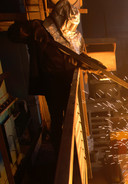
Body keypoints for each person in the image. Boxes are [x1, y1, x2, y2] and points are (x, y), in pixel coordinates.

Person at [7, 0, 85, 153]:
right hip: (52, 85)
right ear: (62, 20)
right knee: (57, 120)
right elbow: (13, 33)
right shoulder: (40, 29)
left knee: (69, 121)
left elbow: (78, 57)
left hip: (66, 85)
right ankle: (59, 153)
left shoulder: (74, 39)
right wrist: (33, 33)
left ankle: (68, 150)